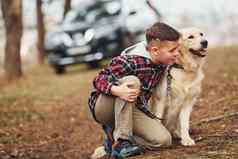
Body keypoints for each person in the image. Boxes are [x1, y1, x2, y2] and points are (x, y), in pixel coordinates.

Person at [88, 22, 181, 158]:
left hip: (130, 108)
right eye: (172, 51)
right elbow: (98, 80)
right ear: (154, 50)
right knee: (132, 81)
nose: (177, 54)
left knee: (164, 140)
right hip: (104, 107)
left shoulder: (162, 62)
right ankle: (122, 142)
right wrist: (117, 90)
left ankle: (112, 143)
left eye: (177, 49)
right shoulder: (130, 60)